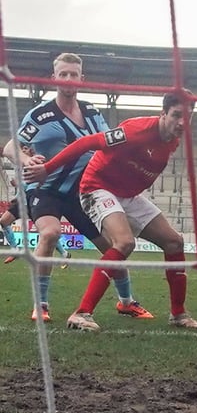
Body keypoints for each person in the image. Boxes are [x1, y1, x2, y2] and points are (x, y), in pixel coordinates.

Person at [23, 91, 197, 331]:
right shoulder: (136, 130)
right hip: (96, 187)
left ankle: (178, 314)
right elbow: (87, 143)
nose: (183, 122)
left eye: (188, 117)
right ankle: (82, 313)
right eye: (177, 115)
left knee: (174, 242)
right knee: (123, 243)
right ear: (163, 114)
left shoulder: (173, 138)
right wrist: (47, 168)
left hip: (126, 194)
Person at [4, 53, 140, 323]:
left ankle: (127, 302)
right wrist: (27, 159)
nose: (68, 79)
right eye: (63, 74)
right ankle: (40, 304)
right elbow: (11, 146)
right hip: (46, 191)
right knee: (51, 233)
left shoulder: (92, 112)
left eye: (73, 74)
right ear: (54, 78)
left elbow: (108, 144)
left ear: (81, 79)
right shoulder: (40, 115)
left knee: (114, 245)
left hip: (82, 193)